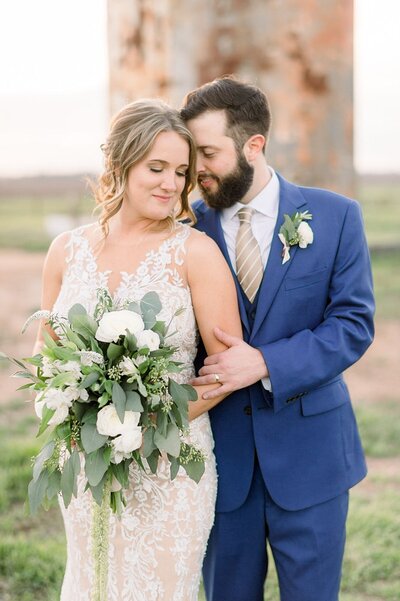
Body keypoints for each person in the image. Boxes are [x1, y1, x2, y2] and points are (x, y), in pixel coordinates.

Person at [32, 99, 242, 601]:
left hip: (171, 467)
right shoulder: (67, 250)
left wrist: (146, 424)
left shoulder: (195, 253)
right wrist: (69, 413)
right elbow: (48, 353)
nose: (172, 184)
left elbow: (224, 372)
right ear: (120, 164)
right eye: (156, 168)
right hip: (86, 462)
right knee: (92, 582)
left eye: (181, 172)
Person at [181, 76, 375, 601]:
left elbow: (353, 324)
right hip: (219, 465)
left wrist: (264, 362)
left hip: (313, 460)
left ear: (253, 145)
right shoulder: (183, 232)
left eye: (208, 152)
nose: (196, 168)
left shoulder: (336, 216)